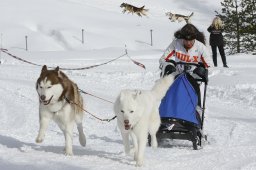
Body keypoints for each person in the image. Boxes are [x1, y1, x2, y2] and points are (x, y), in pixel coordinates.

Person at [159, 23, 211, 107]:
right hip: (178, 75)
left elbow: (209, 65)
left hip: (193, 77)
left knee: (193, 93)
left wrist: (201, 69)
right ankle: (167, 109)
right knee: (168, 88)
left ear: (195, 38)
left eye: (191, 40)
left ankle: (197, 110)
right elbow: (163, 59)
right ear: (182, 38)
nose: (188, 43)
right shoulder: (176, 44)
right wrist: (169, 65)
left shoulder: (201, 47)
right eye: (185, 40)